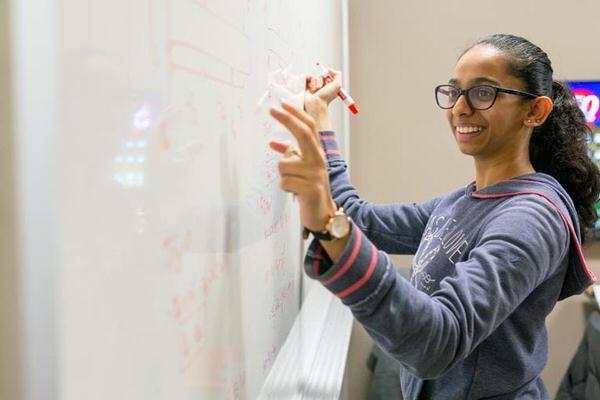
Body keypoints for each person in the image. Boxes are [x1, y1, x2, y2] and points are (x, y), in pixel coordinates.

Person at [268, 33, 600, 399]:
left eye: (483, 92)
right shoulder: (465, 201)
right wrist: (320, 121)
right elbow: (362, 220)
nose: (460, 107)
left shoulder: (532, 218)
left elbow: (439, 342)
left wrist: (331, 226)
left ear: (534, 111)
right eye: (455, 91)